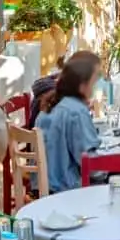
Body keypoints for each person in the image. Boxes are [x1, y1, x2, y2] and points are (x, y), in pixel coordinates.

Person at [35, 52, 102, 194]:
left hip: (45, 186)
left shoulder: (49, 104)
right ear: (83, 84)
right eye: (95, 80)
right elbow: (91, 167)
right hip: (69, 189)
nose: (96, 86)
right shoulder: (76, 112)